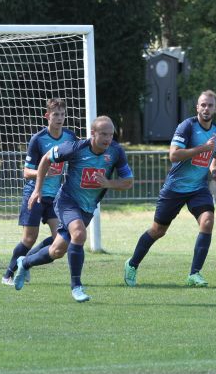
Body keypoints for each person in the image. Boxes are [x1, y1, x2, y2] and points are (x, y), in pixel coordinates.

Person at [13, 116, 133, 302]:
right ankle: (76, 287)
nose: (108, 138)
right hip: (67, 201)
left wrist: (108, 182)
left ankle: (25, 262)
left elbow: (128, 182)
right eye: (103, 134)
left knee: (57, 251)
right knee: (79, 234)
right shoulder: (76, 147)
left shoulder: (116, 152)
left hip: (87, 207)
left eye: (110, 134)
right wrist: (37, 189)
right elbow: (45, 159)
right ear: (93, 133)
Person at [123, 90, 216, 288]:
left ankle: (194, 274)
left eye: (210, 105)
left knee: (208, 221)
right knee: (158, 230)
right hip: (175, 188)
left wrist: (214, 169)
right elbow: (174, 155)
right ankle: (132, 264)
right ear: (197, 107)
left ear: (215, 108)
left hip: (198, 188)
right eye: (203, 105)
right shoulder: (187, 126)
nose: (206, 108)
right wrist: (201, 149)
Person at [2, 98, 77, 286]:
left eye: (62, 114)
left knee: (59, 239)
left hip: (56, 196)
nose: (59, 118)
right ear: (47, 116)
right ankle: (8, 275)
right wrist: (42, 171)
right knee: (29, 238)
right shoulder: (38, 139)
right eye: (55, 115)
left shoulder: (70, 137)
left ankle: (25, 263)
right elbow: (26, 172)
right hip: (34, 194)